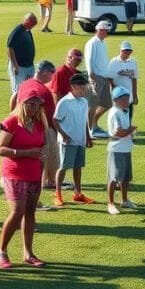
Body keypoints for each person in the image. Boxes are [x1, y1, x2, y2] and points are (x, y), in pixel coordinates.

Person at [0, 84, 48, 268]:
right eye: (31, 104)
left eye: (37, 104)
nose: (34, 108)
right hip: (14, 174)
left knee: (30, 213)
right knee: (17, 212)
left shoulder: (40, 123)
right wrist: (26, 153)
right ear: (22, 103)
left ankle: (28, 253)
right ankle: (1, 251)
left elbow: (41, 147)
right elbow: (0, 149)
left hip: (34, 173)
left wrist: (40, 161)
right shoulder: (11, 123)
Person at [53, 73, 95, 207]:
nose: (85, 89)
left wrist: (88, 137)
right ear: (74, 86)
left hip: (80, 140)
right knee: (64, 167)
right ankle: (57, 193)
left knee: (78, 167)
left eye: (85, 86)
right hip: (68, 142)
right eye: (82, 86)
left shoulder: (84, 102)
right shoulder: (64, 102)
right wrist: (63, 135)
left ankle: (78, 194)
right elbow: (55, 120)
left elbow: (84, 121)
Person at [17, 61, 58, 199]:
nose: (53, 77)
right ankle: (42, 187)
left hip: (23, 126)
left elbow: (15, 100)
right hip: (40, 129)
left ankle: (46, 182)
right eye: (52, 74)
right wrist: (55, 129)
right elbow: (51, 113)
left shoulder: (24, 84)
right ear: (45, 72)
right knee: (42, 161)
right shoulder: (43, 90)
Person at [106, 86, 137, 214]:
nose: (127, 101)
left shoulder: (124, 111)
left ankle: (124, 200)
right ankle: (111, 203)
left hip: (125, 148)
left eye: (127, 98)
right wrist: (130, 130)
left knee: (125, 177)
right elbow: (118, 132)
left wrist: (130, 131)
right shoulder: (114, 112)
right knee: (114, 177)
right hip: (117, 149)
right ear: (116, 100)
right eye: (124, 98)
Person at [84, 20, 112, 138]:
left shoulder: (102, 43)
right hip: (96, 77)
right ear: (99, 30)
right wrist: (91, 73)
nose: (105, 33)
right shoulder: (92, 43)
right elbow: (89, 58)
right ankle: (90, 130)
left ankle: (94, 124)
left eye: (106, 31)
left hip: (104, 77)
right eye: (103, 30)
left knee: (107, 104)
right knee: (93, 104)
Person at [6, 13, 38, 109]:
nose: (34, 25)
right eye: (33, 23)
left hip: (28, 66)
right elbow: (9, 48)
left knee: (27, 90)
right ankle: (12, 114)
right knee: (17, 91)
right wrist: (15, 65)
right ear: (27, 21)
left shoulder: (27, 31)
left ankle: (21, 112)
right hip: (19, 67)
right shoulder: (17, 31)